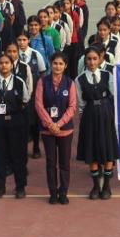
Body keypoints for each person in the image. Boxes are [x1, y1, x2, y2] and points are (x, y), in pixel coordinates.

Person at [0, 53, 31, 199]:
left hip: (16, 122)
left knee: (18, 155)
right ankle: (0, 186)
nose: (4, 65)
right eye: (1, 63)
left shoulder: (19, 82)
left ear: (11, 65)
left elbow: (25, 100)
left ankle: (20, 187)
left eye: (7, 63)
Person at [76, 47, 118, 200]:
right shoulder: (79, 79)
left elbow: (114, 94)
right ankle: (95, 186)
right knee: (92, 150)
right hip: (90, 116)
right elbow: (81, 103)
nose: (92, 62)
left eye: (95, 59)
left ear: (100, 59)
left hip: (106, 114)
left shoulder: (108, 75)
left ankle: (106, 186)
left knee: (108, 149)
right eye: (89, 59)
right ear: (85, 60)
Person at [35, 52, 78, 205]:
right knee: (51, 162)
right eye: (55, 63)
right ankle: (53, 192)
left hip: (65, 130)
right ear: (50, 64)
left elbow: (72, 107)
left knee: (64, 163)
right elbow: (38, 105)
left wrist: (58, 124)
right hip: (47, 130)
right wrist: (50, 124)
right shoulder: (42, 82)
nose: (57, 66)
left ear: (65, 66)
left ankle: (63, 192)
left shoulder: (70, 83)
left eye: (61, 64)